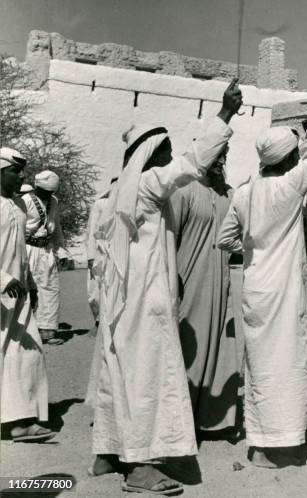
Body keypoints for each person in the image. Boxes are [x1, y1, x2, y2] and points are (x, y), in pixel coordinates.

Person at [90, 80, 242, 495]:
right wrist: (225, 114)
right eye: (165, 154)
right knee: (146, 377)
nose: (170, 159)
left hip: (124, 299)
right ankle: (139, 468)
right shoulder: (146, 185)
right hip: (145, 301)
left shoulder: (124, 191)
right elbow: (194, 162)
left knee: (118, 371)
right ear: (151, 155)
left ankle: (108, 451)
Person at [217, 79, 307, 467]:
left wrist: (253, 250)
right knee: (284, 366)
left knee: (260, 366)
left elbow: (225, 239)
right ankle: (277, 444)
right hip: (281, 293)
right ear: (286, 160)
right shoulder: (289, 186)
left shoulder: (245, 192)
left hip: (254, 290)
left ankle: (262, 441)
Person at [169, 143, 240, 438]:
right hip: (189, 280)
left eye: (224, 154)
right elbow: (168, 240)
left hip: (220, 279)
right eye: (216, 153)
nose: (220, 159)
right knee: (187, 347)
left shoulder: (228, 193)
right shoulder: (183, 190)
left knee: (220, 344)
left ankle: (212, 419)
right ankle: (180, 423)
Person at [1, 147, 54, 443]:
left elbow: (19, 249)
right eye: (15, 171)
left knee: (28, 353)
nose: (21, 176)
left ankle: (21, 417)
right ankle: (15, 422)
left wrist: (29, 283)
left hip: (18, 293)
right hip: (1, 292)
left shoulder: (20, 205)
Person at [23, 170, 71, 345]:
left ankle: (47, 332)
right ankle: (25, 332)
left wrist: (62, 251)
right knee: (29, 288)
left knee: (50, 289)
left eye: (51, 192)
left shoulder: (54, 202)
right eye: (44, 192)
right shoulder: (25, 201)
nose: (48, 195)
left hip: (47, 250)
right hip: (28, 249)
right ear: (37, 188)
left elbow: (56, 228)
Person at [84, 177, 117, 409]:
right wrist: (90, 257)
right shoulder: (101, 203)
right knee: (95, 293)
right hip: (101, 257)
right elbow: (92, 230)